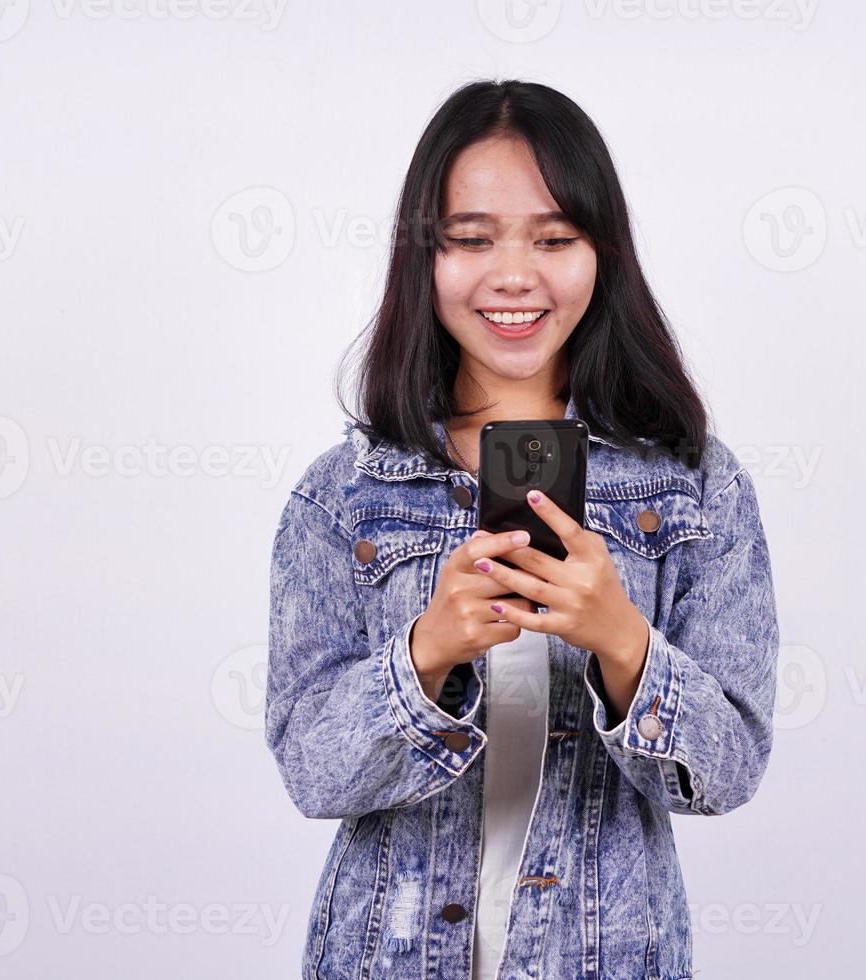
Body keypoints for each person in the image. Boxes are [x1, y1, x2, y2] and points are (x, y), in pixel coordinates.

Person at [265, 78, 779, 980]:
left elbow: (729, 772)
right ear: (425, 258)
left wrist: (622, 641)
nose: (513, 275)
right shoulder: (342, 496)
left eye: (554, 238)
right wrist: (426, 650)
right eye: (471, 239)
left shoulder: (694, 485)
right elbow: (311, 770)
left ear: (602, 255)